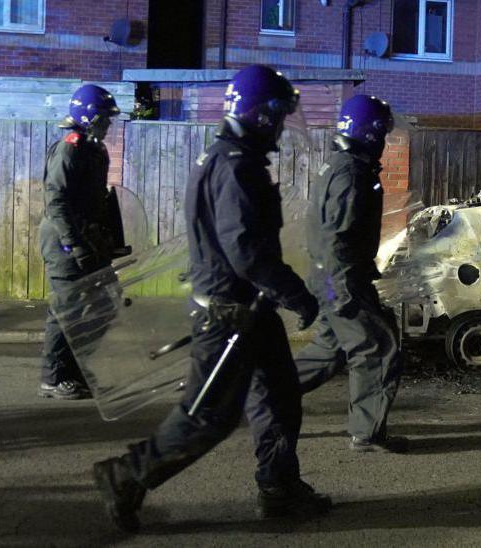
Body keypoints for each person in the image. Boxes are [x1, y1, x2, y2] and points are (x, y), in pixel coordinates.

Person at [92, 65, 326, 532]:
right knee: (209, 417)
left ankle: (278, 486)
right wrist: (298, 295)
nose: (282, 125)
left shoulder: (230, 157)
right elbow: (246, 252)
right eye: (278, 115)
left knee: (280, 397)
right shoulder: (236, 166)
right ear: (260, 115)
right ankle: (126, 475)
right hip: (228, 315)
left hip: (249, 309)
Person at [292, 95, 407, 453]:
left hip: (332, 279)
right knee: (378, 348)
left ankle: (259, 394)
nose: (385, 142)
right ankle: (366, 434)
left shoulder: (342, 165)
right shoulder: (351, 172)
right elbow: (337, 237)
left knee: (330, 351)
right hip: (341, 281)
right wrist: (344, 289)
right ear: (370, 133)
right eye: (382, 134)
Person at [37, 85, 121, 400]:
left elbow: (95, 200)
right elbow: (56, 201)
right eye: (105, 119)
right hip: (64, 243)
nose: (108, 125)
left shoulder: (93, 149)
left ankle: (75, 369)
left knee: (108, 301)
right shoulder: (69, 148)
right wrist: (75, 245)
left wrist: (107, 237)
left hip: (88, 240)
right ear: (89, 117)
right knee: (66, 309)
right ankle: (54, 378)